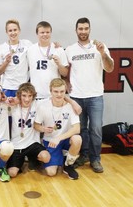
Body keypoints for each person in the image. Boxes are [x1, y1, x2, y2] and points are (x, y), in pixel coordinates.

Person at [65, 17, 114, 173]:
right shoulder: (70, 49)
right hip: (76, 96)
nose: (83, 31)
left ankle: (95, 159)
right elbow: (65, 71)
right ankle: (83, 156)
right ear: (76, 30)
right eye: (80, 29)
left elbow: (110, 68)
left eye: (86, 28)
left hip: (95, 96)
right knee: (81, 130)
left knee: (96, 129)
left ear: (89, 29)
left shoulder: (99, 47)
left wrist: (103, 54)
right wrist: (66, 81)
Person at [34, 78, 82, 180]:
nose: (59, 95)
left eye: (62, 91)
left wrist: (59, 138)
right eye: (56, 91)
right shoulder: (43, 106)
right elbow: (36, 125)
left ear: (65, 91)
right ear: (50, 91)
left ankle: (68, 165)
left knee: (77, 139)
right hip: (50, 141)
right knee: (51, 173)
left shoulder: (70, 106)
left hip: (64, 139)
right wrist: (43, 128)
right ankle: (60, 157)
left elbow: (77, 128)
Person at [7, 83, 50, 177]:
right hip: (17, 145)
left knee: (46, 157)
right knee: (12, 173)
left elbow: (55, 97)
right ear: (19, 96)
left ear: (33, 96)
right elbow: (0, 102)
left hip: (32, 143)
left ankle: (33, 160)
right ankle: (20, 162)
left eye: (30, 96)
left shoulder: (37, 104)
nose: (27, 99)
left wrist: (72, 102)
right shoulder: (13, 106)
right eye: (24, 96)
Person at [27, 21, 69, 99]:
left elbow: (65, 74)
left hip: (54, 95)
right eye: (42, 32)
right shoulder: (30, 50)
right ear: (37, 34)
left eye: (47, 32)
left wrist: (59, 64)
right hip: (36, 94)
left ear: (51, 33)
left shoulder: (58, 49)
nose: (45, 34)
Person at [0, 19, 32, 97]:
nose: (13, 33)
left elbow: (40, 46)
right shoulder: (1, 48)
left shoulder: (27, 44)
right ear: (7, 32)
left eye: (15, 30)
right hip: (8, 87)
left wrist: (55, 45)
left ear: (19, 31)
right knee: (8, 108)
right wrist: (6, 62)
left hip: (23, 86)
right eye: (10, 30)